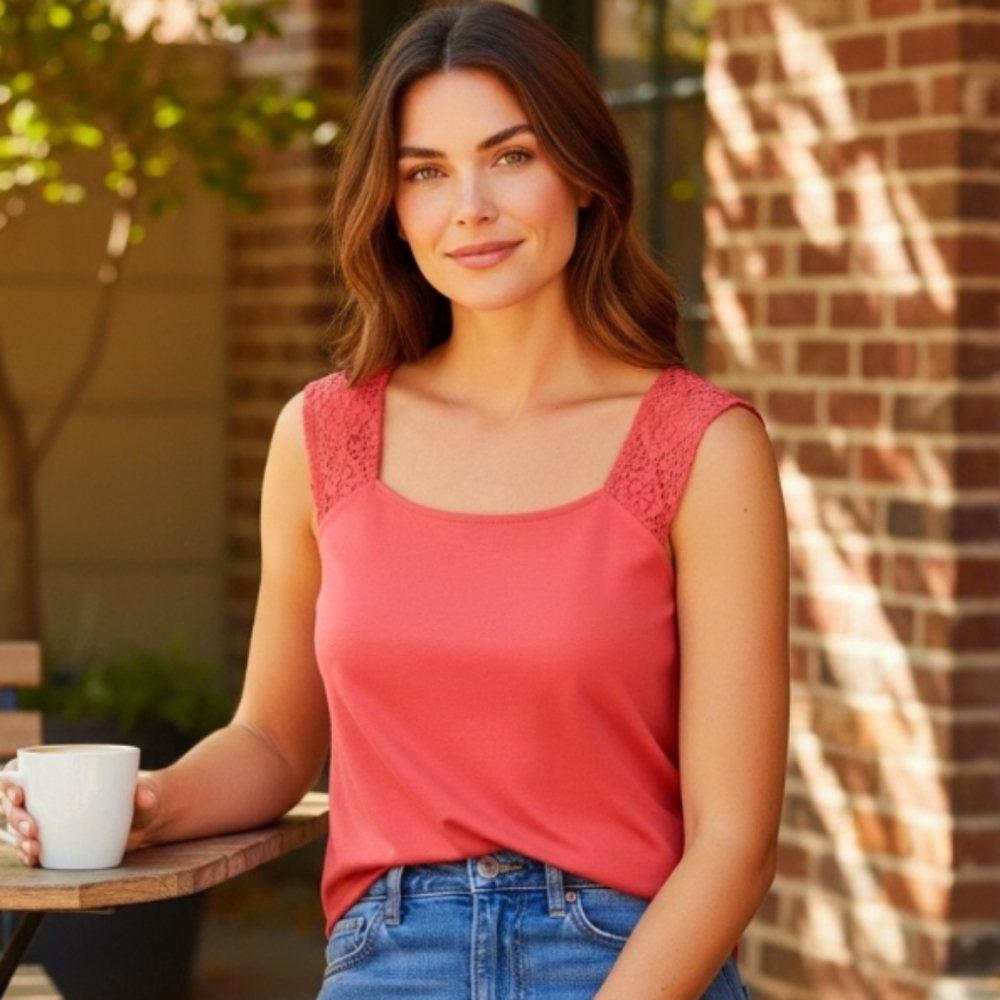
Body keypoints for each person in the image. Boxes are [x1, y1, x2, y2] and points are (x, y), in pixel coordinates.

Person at [4, 4, 789, 998]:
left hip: (626, 956)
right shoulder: (323, 435)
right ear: (390, 204)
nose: (470, 207)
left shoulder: (702, 447)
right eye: (425, 172)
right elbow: (274, 740)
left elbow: (733, 841)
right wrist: (151, 804)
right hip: (391, 958)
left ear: (584, 174)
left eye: (510, 157)